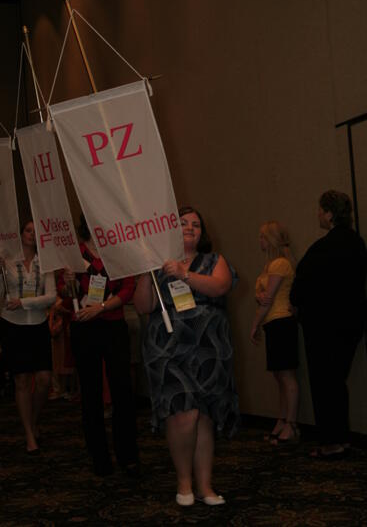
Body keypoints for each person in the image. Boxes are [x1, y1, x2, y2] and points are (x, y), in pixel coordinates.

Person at [134, 206, 239, 507]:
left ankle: (205, 486)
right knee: (183, 413)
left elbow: (220, 286)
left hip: (208, 349)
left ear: (203, 233)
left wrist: (185, 274)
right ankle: (184, 482)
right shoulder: (158, 265)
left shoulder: (214, 260)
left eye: (196, 224)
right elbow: (143, 306)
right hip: (168, 350)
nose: (190, 227)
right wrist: (146, 269)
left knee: (204, 417)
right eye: (183, 223)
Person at [58, 215, 139, 477]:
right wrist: (69, 279)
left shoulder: (118, 249)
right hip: (83, 327)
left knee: (122, 391)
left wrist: (102, 307)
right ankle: (99, 458)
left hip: (113, 325)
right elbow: (65, 293)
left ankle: (127, 455)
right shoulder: (74, 252)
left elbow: (129, 288)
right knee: (90, 395)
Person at [290, 190, 367, 459]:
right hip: (352, 325)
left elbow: (299, 288)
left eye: (321, 210)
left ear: (330, 214)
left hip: (323, 328)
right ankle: (342, 437)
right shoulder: (358, 243)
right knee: (337, 382)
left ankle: (331, 440)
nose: (318, 214)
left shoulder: (322, 248)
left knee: (324, 383)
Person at [0, 220, 56, 454]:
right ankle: (29, 433)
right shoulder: (7, 262)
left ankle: (33, 420)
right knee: (21, 380)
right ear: (20, 233)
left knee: (44, 379)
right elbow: (2, 298)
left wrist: (23, 302)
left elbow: (51, 297)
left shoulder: (46, 263)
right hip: (13, 326)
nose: (32, 235)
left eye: (36, 231)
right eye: (28, 230)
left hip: (38, 324)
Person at [250, 221, 299, 444]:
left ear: (270, 239)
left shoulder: (280, 263)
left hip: (281, 322)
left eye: (262, 237)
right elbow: (263, 296)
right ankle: (282, 419)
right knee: (279, 375)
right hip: (274, 322)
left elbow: (268, 299)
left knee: (286, 375)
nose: (259, 241)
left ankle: (291, 424)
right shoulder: (270, 265)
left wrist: (254, 325)